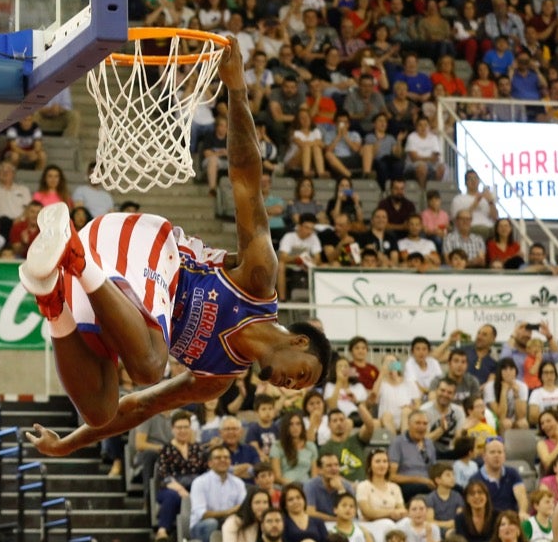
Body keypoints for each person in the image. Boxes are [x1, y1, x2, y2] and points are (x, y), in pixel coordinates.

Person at [23, 40, 333, 457]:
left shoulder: (217, 379)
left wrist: (66, 445)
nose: (292, 386)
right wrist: (237, 90)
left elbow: (140, 407)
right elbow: (245, 180)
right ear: (299, 343)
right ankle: (75, 255)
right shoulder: (258, 281)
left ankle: (51, 300)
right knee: (151, 366)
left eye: (297, 387)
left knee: (99, 409)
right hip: (139, 245)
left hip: (111, 293)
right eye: (303, 375)